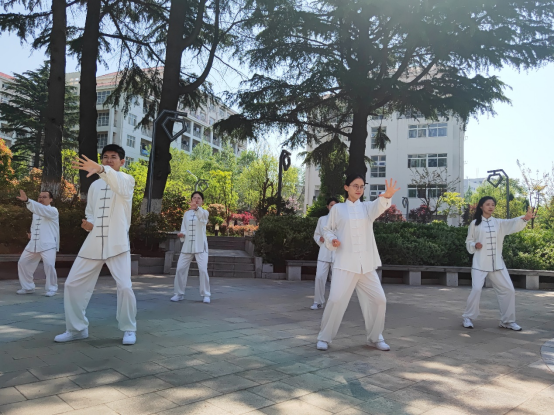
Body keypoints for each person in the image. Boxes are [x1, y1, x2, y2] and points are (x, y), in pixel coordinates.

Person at [54, 145, 138, 346]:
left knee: (125, 287)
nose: (109, 160)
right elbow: (90, 211)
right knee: (72, 284)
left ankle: (129, 328)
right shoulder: (95, 186)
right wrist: (89, 223)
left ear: (122, 161)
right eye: (105, 157)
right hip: (93, 243)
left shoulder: (127, 180)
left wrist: (101, 169)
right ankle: (77, 329)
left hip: (117, 244)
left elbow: (118, 185)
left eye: (113, 157)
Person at [317, 175, 400, 352]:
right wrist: (332, 240)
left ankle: (375, 337)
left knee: (379, 300)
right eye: (355, 185)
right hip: (344, 263)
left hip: (366, 265)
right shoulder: (338, 209)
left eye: (362, 186)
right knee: (335, 300)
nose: (359, 189)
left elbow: (379, 205)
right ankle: (324, 337)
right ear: (346, 187)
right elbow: (327, 229)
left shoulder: (367, 208)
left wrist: (387, 196)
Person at [462, 196, 535, 331]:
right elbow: (468, 241)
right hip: (480, 263)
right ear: (481, 206)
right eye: (488, 204)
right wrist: (474, 245)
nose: (491, 207)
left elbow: (512, 223)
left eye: (493, 205)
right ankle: (468, 317)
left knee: (509, 290)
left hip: (497, 264)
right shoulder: (475, 224)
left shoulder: (499, 223)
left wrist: (525, 218)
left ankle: (507, 321)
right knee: (476, 289)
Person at [16, 190, 59, 297]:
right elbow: (34, 224)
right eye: (39, 197)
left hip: (48, 244)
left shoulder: (53, 210)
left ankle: (52, 288)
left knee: (49, 265)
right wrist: (32, 233)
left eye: (44, 197)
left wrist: (27, 200)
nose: (41, 199)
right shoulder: (36, 211)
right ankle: (28, 287)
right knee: (23, 263)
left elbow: (42, 209)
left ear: (51, 199)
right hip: (34, 244)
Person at [171, 191, 211, 304]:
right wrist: (182, 234)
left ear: (202, 201)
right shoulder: (186, 214)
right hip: (187, 246)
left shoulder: (204, 212)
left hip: (201, 246)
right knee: (180, 269)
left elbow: (203, 219)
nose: (196, 200)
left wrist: (196, 209)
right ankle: (179, 293)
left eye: (199, 198)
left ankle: (206, 294)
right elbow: (184, 228)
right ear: (191, 199)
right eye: (194, 198)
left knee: (203, 270)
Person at [311, 197, 339, 310]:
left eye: (335, 205)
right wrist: (320, 239)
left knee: (336, 281)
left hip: (337, 255)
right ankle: (318, 302)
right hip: (324, 254)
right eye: (331, 205)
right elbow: (316, 234)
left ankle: (335, 304)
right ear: (327, 207)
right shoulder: (322, 220)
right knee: (319, 277)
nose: (333, 207)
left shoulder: (342, 220)